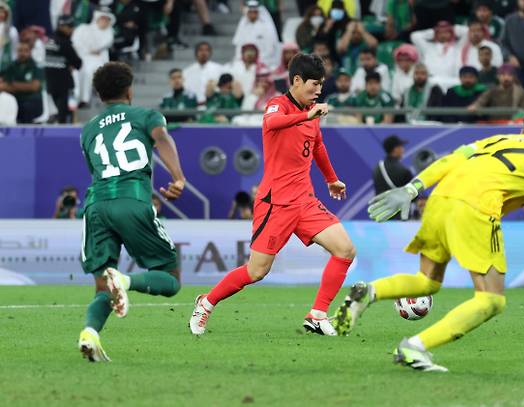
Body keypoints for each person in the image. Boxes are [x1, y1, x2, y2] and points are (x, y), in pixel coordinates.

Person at [332, 110, 524, 372]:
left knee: (426, 281)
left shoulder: (494, 140)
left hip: (440, 200)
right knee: (491, 299)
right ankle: (414, 347)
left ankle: (369, 291)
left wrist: (413, 188)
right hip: (476, 208)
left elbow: (450, 160)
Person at [189, 53, 356, 337]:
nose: (318, 91)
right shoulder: (277, 105)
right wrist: (306, 115)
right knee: (256, 271)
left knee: (345, 250)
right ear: (296, 81)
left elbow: (317, 147)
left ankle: (317, 314)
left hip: (305, 200)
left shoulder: (312, 112)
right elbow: (272, 124)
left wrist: (331, 179)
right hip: (275, 203)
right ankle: (206, 302)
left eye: (321, 85)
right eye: (314, 84)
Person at [78, 62, 187, 362]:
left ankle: (90, 333)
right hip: (133, 199)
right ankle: (126, 281)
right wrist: (177, 176)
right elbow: (162, 138)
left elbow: (96, 170)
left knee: (102, 283)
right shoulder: (146, 115)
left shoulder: (87, 131)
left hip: (96, 206)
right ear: (130, 90)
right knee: (170, 276)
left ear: (99, 95)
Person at [72, 8, 115, 108]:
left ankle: (84, 99)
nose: (104, 21)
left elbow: (99, 46)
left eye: (106, 20)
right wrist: (87, 51)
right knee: (76, 73)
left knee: (89, 72)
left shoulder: (109, 33)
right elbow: (76, 43)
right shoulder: (83, 28)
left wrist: (90, 51)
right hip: (80, 57)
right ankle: (76, 98)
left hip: (97, 60)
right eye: (102, 18)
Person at [44, 15, 82, 124]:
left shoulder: (49, 41)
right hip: (65, 85)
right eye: (69, 27)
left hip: (50, 84)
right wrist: (69, 64)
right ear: (63, 27)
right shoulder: (65, 43)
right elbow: (78, 63)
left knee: (57, 113)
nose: (71, 29)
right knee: (66, 116)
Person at [411, 21, 461, 91]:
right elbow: (415, 36)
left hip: (451, 81)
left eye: (446, 32)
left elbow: (466, 33)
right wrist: (433, 31)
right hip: (432, 81)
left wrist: (453, 29)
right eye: (440, 33)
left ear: (451, 33)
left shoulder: (458, 46)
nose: (443, 35)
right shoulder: (428, 47)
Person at [3, 41, 44, 123]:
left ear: (30, 52)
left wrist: (13, 85)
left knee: (27, 108)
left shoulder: (35, 66)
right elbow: (4, 86)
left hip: (32, 101)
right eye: (20, 50)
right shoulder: (12, 66)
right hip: (16, 100)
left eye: (25, 51)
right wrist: (25, 86)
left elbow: (34, 87)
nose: (23, 53)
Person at [232, 0, 279, 69]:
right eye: (250, 12)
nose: (252, 14)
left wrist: (257, 61)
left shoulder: (266, 27)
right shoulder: (243, 26)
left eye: (254, 12)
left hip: (264, 60)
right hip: (244, 62)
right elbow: (238, 47)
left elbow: (270, 49)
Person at [372, 135, 414, 203]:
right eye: (401, 147)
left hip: (379, 210)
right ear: (395, 149)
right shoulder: (403, 170)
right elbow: (413, 196)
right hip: (398, 211)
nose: (403, 150)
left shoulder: (377, 168)